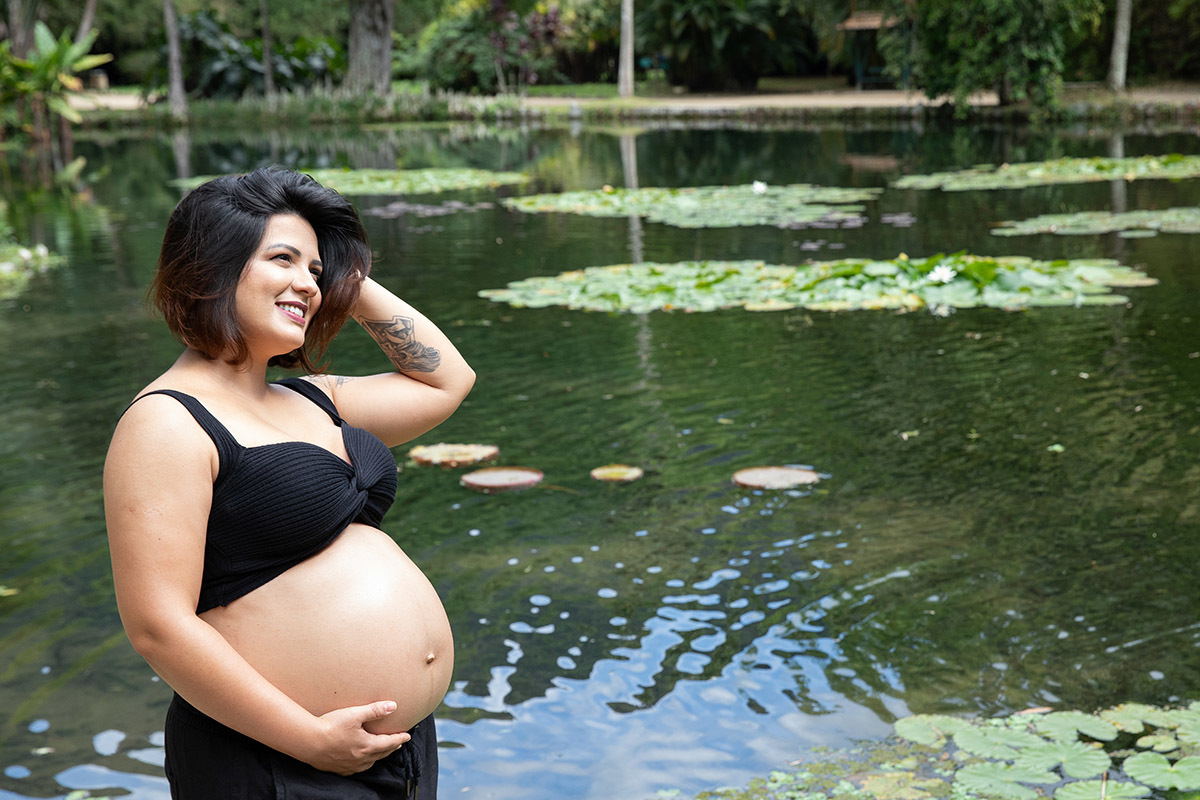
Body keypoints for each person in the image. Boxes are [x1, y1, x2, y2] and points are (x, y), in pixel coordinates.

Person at [103, 166, 475, 799]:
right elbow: (157, 625)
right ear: (212, 269)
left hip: (396, 752)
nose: (309, 282)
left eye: (316, 270)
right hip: (280, 761)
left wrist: (345, 282)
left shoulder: (314, 399)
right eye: (283, 259)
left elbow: (446, 380)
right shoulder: (166, 422)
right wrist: (308, 740)